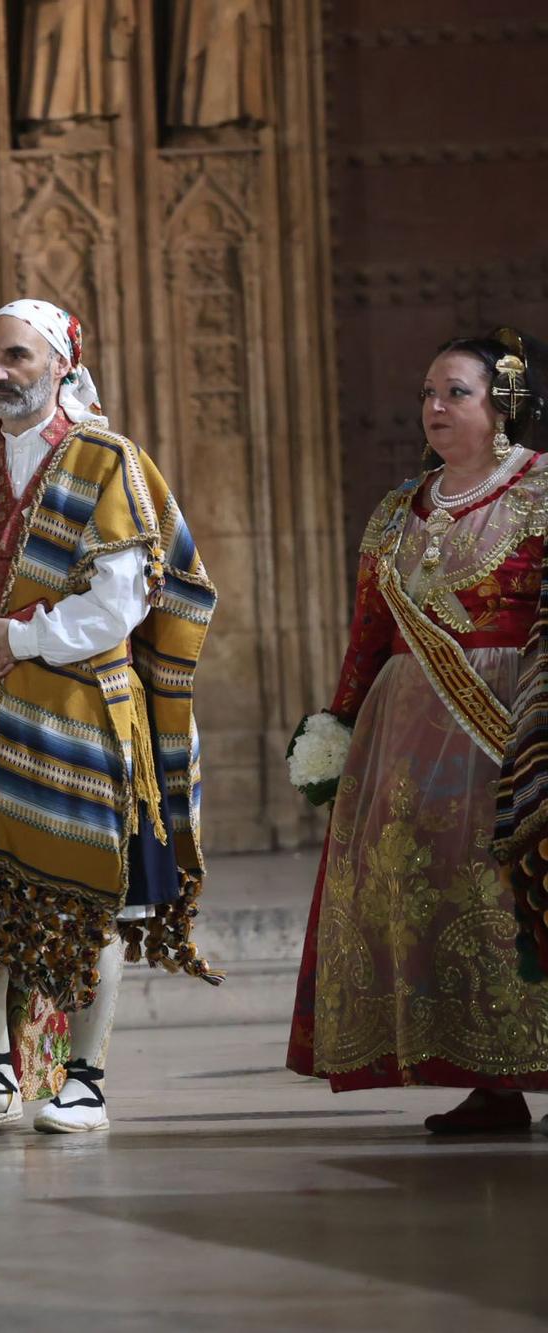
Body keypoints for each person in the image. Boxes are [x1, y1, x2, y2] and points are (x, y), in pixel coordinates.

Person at [0, 298, 219, 1135]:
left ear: (63, 366)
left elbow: (122, 598)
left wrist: (20, 637)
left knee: (90, 892)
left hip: (76, 707)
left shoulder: (107, 462)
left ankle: (85, 1078)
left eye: (18, 357)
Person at [291, 329, 548, 1133]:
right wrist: (335, 731)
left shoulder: (542, 491)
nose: (435, 408)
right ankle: (490, 1079)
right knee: (439, 898)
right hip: (405, 741)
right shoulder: (398, 510)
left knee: (522, 890)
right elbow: (368, 633)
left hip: (519, 727)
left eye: (455, 393)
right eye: (428, 395)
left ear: (503, 403)